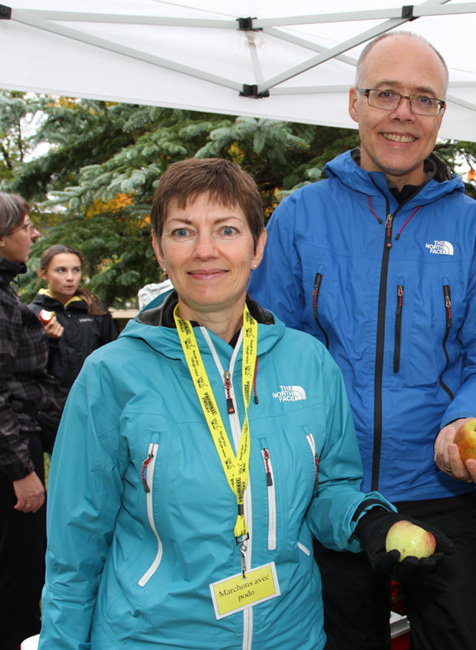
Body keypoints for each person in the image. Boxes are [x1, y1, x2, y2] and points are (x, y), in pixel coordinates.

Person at [39, 158, 451, 650]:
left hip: (289, 633)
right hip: (152, 636)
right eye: (182, 231)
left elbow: (331, 488)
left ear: (257, 247)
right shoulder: (111, 375)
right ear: (158, 249)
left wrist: (371, 521)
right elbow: (74, 545)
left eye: (227, 230)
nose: (205, 250)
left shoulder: (309, 361)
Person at [249, 31, 476, 650]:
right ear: (354, 102)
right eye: (386, 94)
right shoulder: (298, 217)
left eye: (424, 99)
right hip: (326, 496)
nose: (403, 113)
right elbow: (267, 352)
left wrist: (470, 419)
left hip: (439, 490)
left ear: (441, 116)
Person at [0, 193, 63, 650]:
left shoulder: (7, 292)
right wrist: (22, 472)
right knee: (17, 575)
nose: (33, 233)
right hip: (10, 463)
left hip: (20, 444)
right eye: (25, 225)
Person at [29, 244, 119, 395]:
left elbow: (114, 358)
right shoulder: (31, 314)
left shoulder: (95, 311)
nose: (70, 278)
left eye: (76, 270)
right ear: (43, 274)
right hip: (49, 408)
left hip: (92, 400)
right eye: (61, 270)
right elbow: (26, 369)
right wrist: (46, 341)